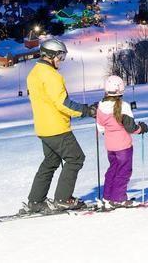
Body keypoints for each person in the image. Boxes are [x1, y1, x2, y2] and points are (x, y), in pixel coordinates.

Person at [23, 39, 96, 214]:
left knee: (50, 161)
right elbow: (62, 103)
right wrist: (86, 110)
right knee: (75, 158)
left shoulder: (34, 73)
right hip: (57, 127)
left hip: (43, 127)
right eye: (60, 56)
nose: (61, 60)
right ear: (50, 55)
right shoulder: (51, 75)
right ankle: (63, 199)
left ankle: (36, 201)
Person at [96, 75, 148, 207]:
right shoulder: (124, 106)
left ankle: (108, 196)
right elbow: (131, 127)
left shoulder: (101, 106)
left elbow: (100, 127)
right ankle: (119, 198)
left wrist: (110, 134)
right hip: (123, 147)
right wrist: (141, 128)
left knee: (113, 169)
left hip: (110, 147)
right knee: (123, 171)